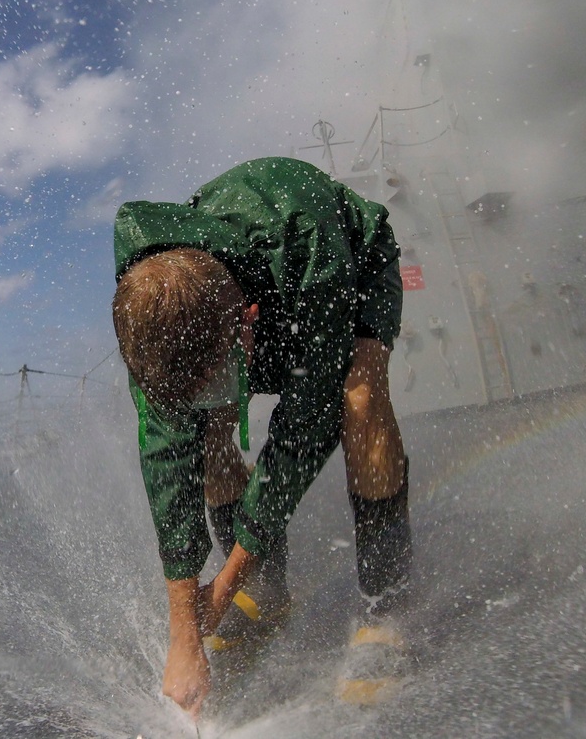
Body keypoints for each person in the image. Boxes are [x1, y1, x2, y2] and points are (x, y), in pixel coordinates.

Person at [111, 157, 410, 717]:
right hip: (235, 316)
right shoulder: (151, 316)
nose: (208, 397)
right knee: (210, 436)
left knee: (360, 398)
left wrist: (219, 589)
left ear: (246, 321)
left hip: (343, 270)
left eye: (215, 381)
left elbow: (301, 436)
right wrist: (184, 631)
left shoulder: (309, 254)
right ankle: (269, 594)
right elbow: (165, 462)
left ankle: (385, 607)